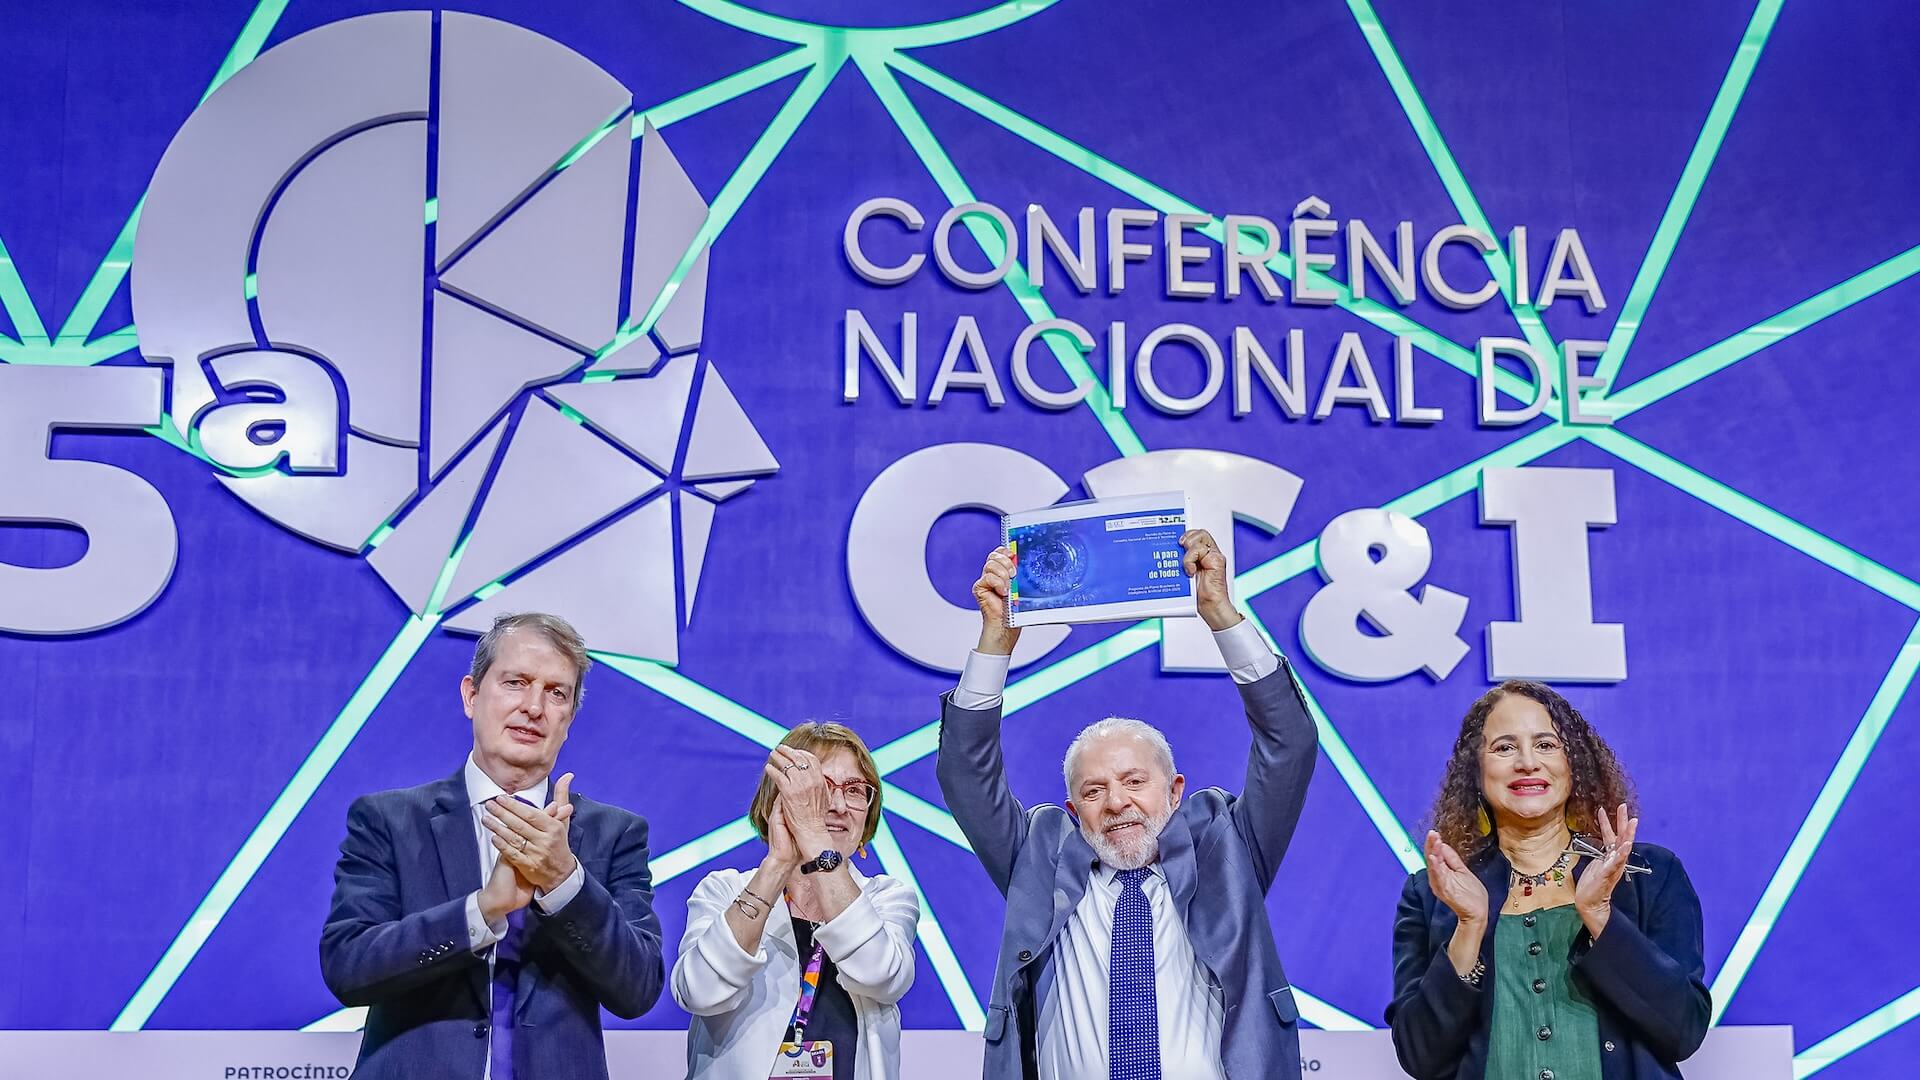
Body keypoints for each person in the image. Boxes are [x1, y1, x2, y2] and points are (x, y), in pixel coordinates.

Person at [939, 529, 1317, 1080]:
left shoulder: (1226, 848)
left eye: (1134, 781)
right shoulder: (1038, 860)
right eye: (1093, 791)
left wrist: (1220, 614)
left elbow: (1290, 745)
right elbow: (965, 775)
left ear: (1175, 791)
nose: (1116, 803)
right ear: (1073, 810)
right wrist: (996, 642)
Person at [320, 612, 664, 1080]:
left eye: (556, 692)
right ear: (471, 695)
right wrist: (483, 910)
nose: (534, 707)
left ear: (569, 718)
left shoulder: (613, 834)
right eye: (516, 682)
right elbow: (349, 965)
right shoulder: (390, 821)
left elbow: (637, 989)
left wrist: (564, 882)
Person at [1387, 680, 1710, 1080]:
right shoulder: (1431, 895)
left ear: (1573, 763)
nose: (1527, 762)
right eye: (1504, 748)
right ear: (1476, 771)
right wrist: (1469, 928)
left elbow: (1684, 1030)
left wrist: (1599, 916)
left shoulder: (1649, 875)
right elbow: (1420, 1056)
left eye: (1546, 745)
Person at [672, 723, 919, 1080]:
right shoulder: (723, 890)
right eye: (820, 789)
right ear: (777, 802)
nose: (837, 806)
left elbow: (880, 975)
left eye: (854, 790)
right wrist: (777, 864)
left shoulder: (887, 899)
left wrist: (814, 838)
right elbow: (698, 991)